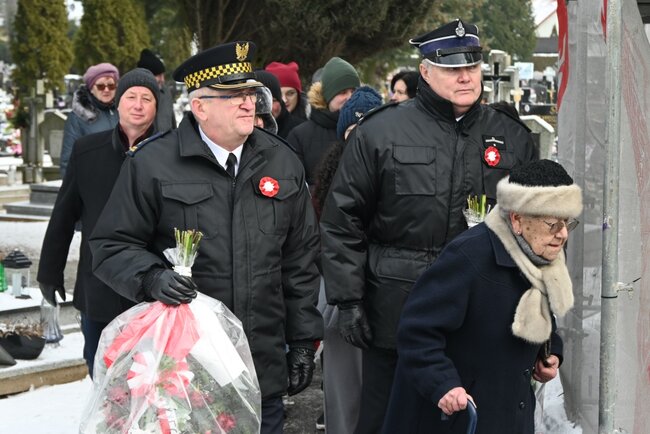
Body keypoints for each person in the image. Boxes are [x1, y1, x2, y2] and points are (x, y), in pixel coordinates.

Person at [89, 41, 323, 434]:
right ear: (200, 107)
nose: (248, 103)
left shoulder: (282, 161)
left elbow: (300, 259)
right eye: (234, 96)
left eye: (251, 93)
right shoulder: (153, 163)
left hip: (259, 366)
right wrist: (152, 277)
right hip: (184, 375)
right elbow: (111, 245)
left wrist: (302, 339)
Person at [319, 19, 537, 434]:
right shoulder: (381, 132)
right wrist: (347, 300)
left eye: (471, 66)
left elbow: (537, 234)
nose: (465, 76)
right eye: (452, 68)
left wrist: (541, 327)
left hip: (483, 321)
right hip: (396, 313)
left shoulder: (511, 136)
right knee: (389, 423)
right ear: (425, 71)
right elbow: (342, 220)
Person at [382, 159, 582, 433]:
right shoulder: (469, 257)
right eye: (552, 224)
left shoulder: (541, 258)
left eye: (567, 223)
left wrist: (549, 352)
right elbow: (416, 332)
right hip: (456, 420)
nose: (562, 234)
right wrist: (444, 384)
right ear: (517, 219)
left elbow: (540, 317)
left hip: (508, 416)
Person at [37, 68, 161, 376]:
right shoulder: (87, 152)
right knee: (100, 371)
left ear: (156, 107)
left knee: (152, 380)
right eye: (131, 97)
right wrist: (49, 272)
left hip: (153, 290)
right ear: (118, 103)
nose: (138, 105)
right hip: (98, 286)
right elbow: (64, 214)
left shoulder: (169, 152)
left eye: (147, 98)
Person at [312, 85, 383, 433]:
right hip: (341, 297)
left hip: (385, 294)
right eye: (354, 130)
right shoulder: (331, 175)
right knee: (344, 400)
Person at [286, 56, 360, 190]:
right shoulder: (300, 136)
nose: (350, 97)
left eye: (353, 91)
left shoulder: (367, 130)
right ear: (327, 96)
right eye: (342, 92)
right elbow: (293, 186)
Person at [60, 63, 119, 178]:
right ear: (91, 88)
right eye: (101, 86)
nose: (106, 90)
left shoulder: (123, 112)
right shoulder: (78, 117)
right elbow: (68, 162)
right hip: (93, 183)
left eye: (111, 86)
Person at [137, 48, 176, 131]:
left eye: (163, 75)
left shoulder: (166, 92)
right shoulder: (135, 96)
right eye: (158, 75)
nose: (162, 79)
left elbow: (172, 121)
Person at [255, 70, 303, 138]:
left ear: (280, 102)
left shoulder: (299, 133)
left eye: (272, 101)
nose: (267, 107)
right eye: (259, 101)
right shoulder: (241, 134)